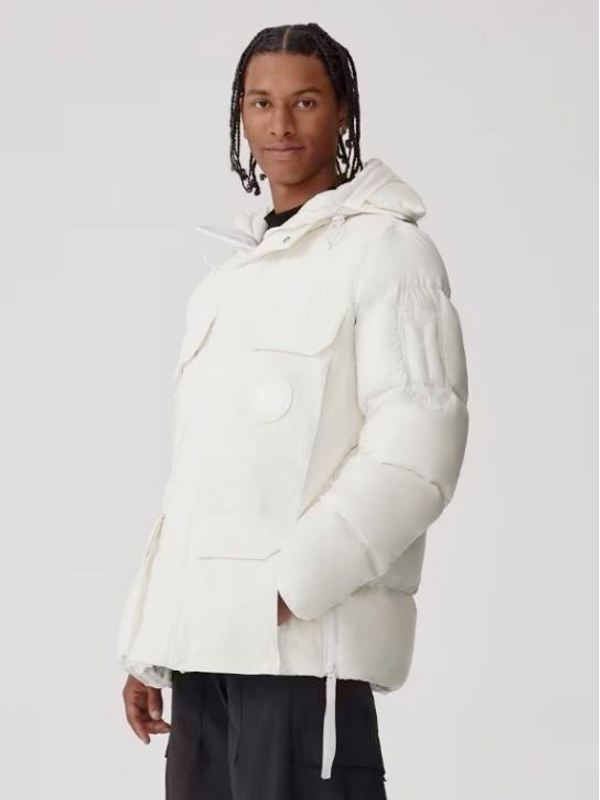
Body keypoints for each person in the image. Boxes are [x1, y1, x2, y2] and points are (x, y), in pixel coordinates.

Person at [117, 22, 469, 800]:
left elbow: (417, 452)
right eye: (260, 103)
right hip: (205, 657)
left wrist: (288, 590)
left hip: (305, 659)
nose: (280, 124)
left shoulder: (389, 254)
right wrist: (152, 642)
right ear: (239, 116)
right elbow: (200, 479)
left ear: (342, 112)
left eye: (304, 101)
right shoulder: (228, 281)